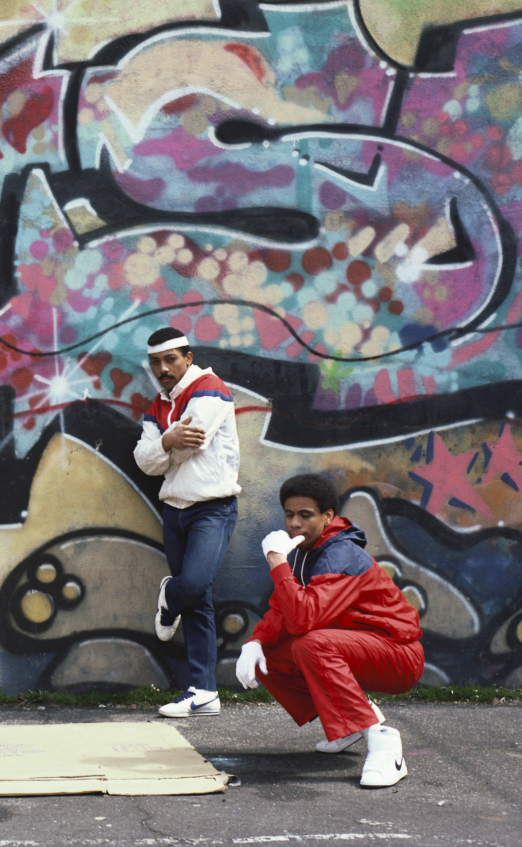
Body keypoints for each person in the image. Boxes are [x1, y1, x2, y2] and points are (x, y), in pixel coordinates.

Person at [236, 473, 423, 788]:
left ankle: (386, 747)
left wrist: (276, 560)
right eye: (290, 514)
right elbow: (282, 611)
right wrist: (255, 642)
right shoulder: (302, 552)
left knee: (310, 644)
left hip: (399, 656)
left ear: (328, 517)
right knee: (268, 653)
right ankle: (348, 724)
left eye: (305, 515)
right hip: (360, 648)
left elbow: (302, 620)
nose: (295, 523)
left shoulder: (341, 555)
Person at [133, 327, 242, 718]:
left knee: (192, 586)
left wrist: (165, 445)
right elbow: (145, 462)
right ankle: (203, 691)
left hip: (212, 508)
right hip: (173, 510)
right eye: (156, 363)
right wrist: (166, 441)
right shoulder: (156, 407)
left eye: (171, 360)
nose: (163, 369)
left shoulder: (210, 387)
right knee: (198, 601)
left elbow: (193, 440)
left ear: (188, 358)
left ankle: (169, 597)